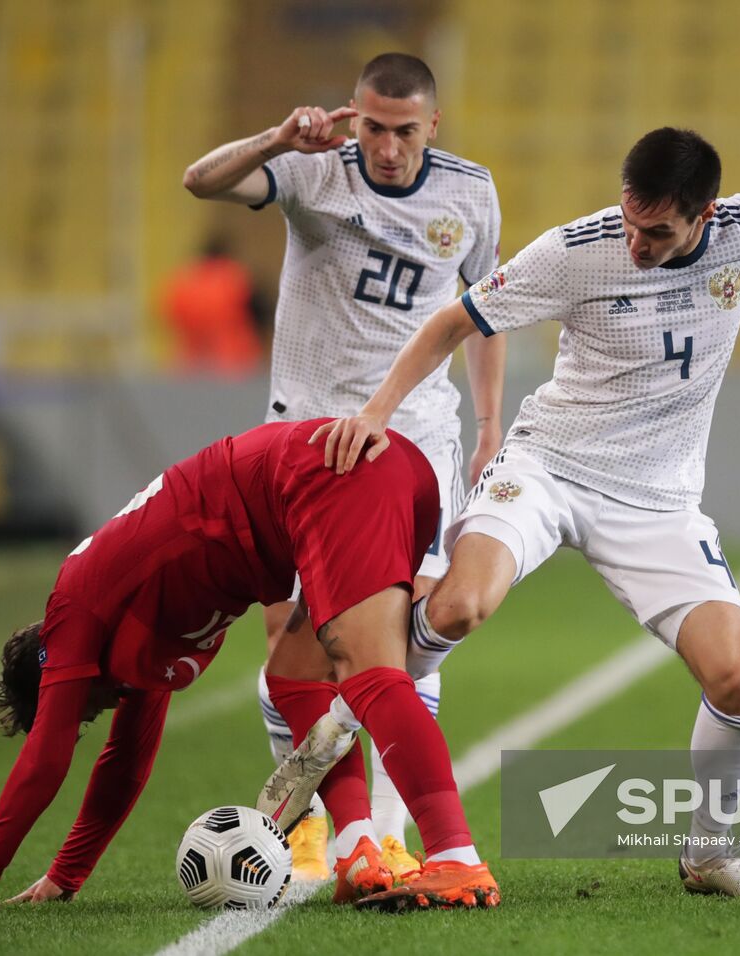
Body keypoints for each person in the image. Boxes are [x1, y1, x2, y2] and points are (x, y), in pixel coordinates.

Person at [313, 127, 740, 901]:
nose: (636, 243)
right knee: (458, 606)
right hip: (548, 468)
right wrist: (378, 411)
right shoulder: (575, 251)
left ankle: (709, 855)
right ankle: (348, 707)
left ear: (705, 216)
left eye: (656, 231)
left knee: (738, 680)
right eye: (628, 221)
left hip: (658, 500)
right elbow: (455, 321)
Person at [0, 419, 499, 911]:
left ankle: (455, 856)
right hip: (373, 472)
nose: (99, 710)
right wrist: (66, 875)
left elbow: (45, 758)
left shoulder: (76, 607)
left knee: (368, 673)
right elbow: (125, 764)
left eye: (84, 709)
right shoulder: (130, 628)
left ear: (54, 672)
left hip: (329, 477)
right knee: (295, 679)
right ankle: (358, 852)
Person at [183, 52, 504, 878]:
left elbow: (484, 312)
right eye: (373, 128)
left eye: (405, 132)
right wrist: (274, 139)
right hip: (303, 441)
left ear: (433, 125)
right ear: (352, 116)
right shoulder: (313, 170)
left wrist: (488, 423)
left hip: (412, 444)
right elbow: (201, 182)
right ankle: (316, 821)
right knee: (291, 646)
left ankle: (385, 833)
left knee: (390, 643)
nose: (387, 148)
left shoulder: (471, 193)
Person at [160, 230, 265, 378]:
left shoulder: (184, 281)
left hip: (190, 365)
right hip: (233, 364)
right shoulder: (234, 278)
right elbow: (259, 314)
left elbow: (169, 316)